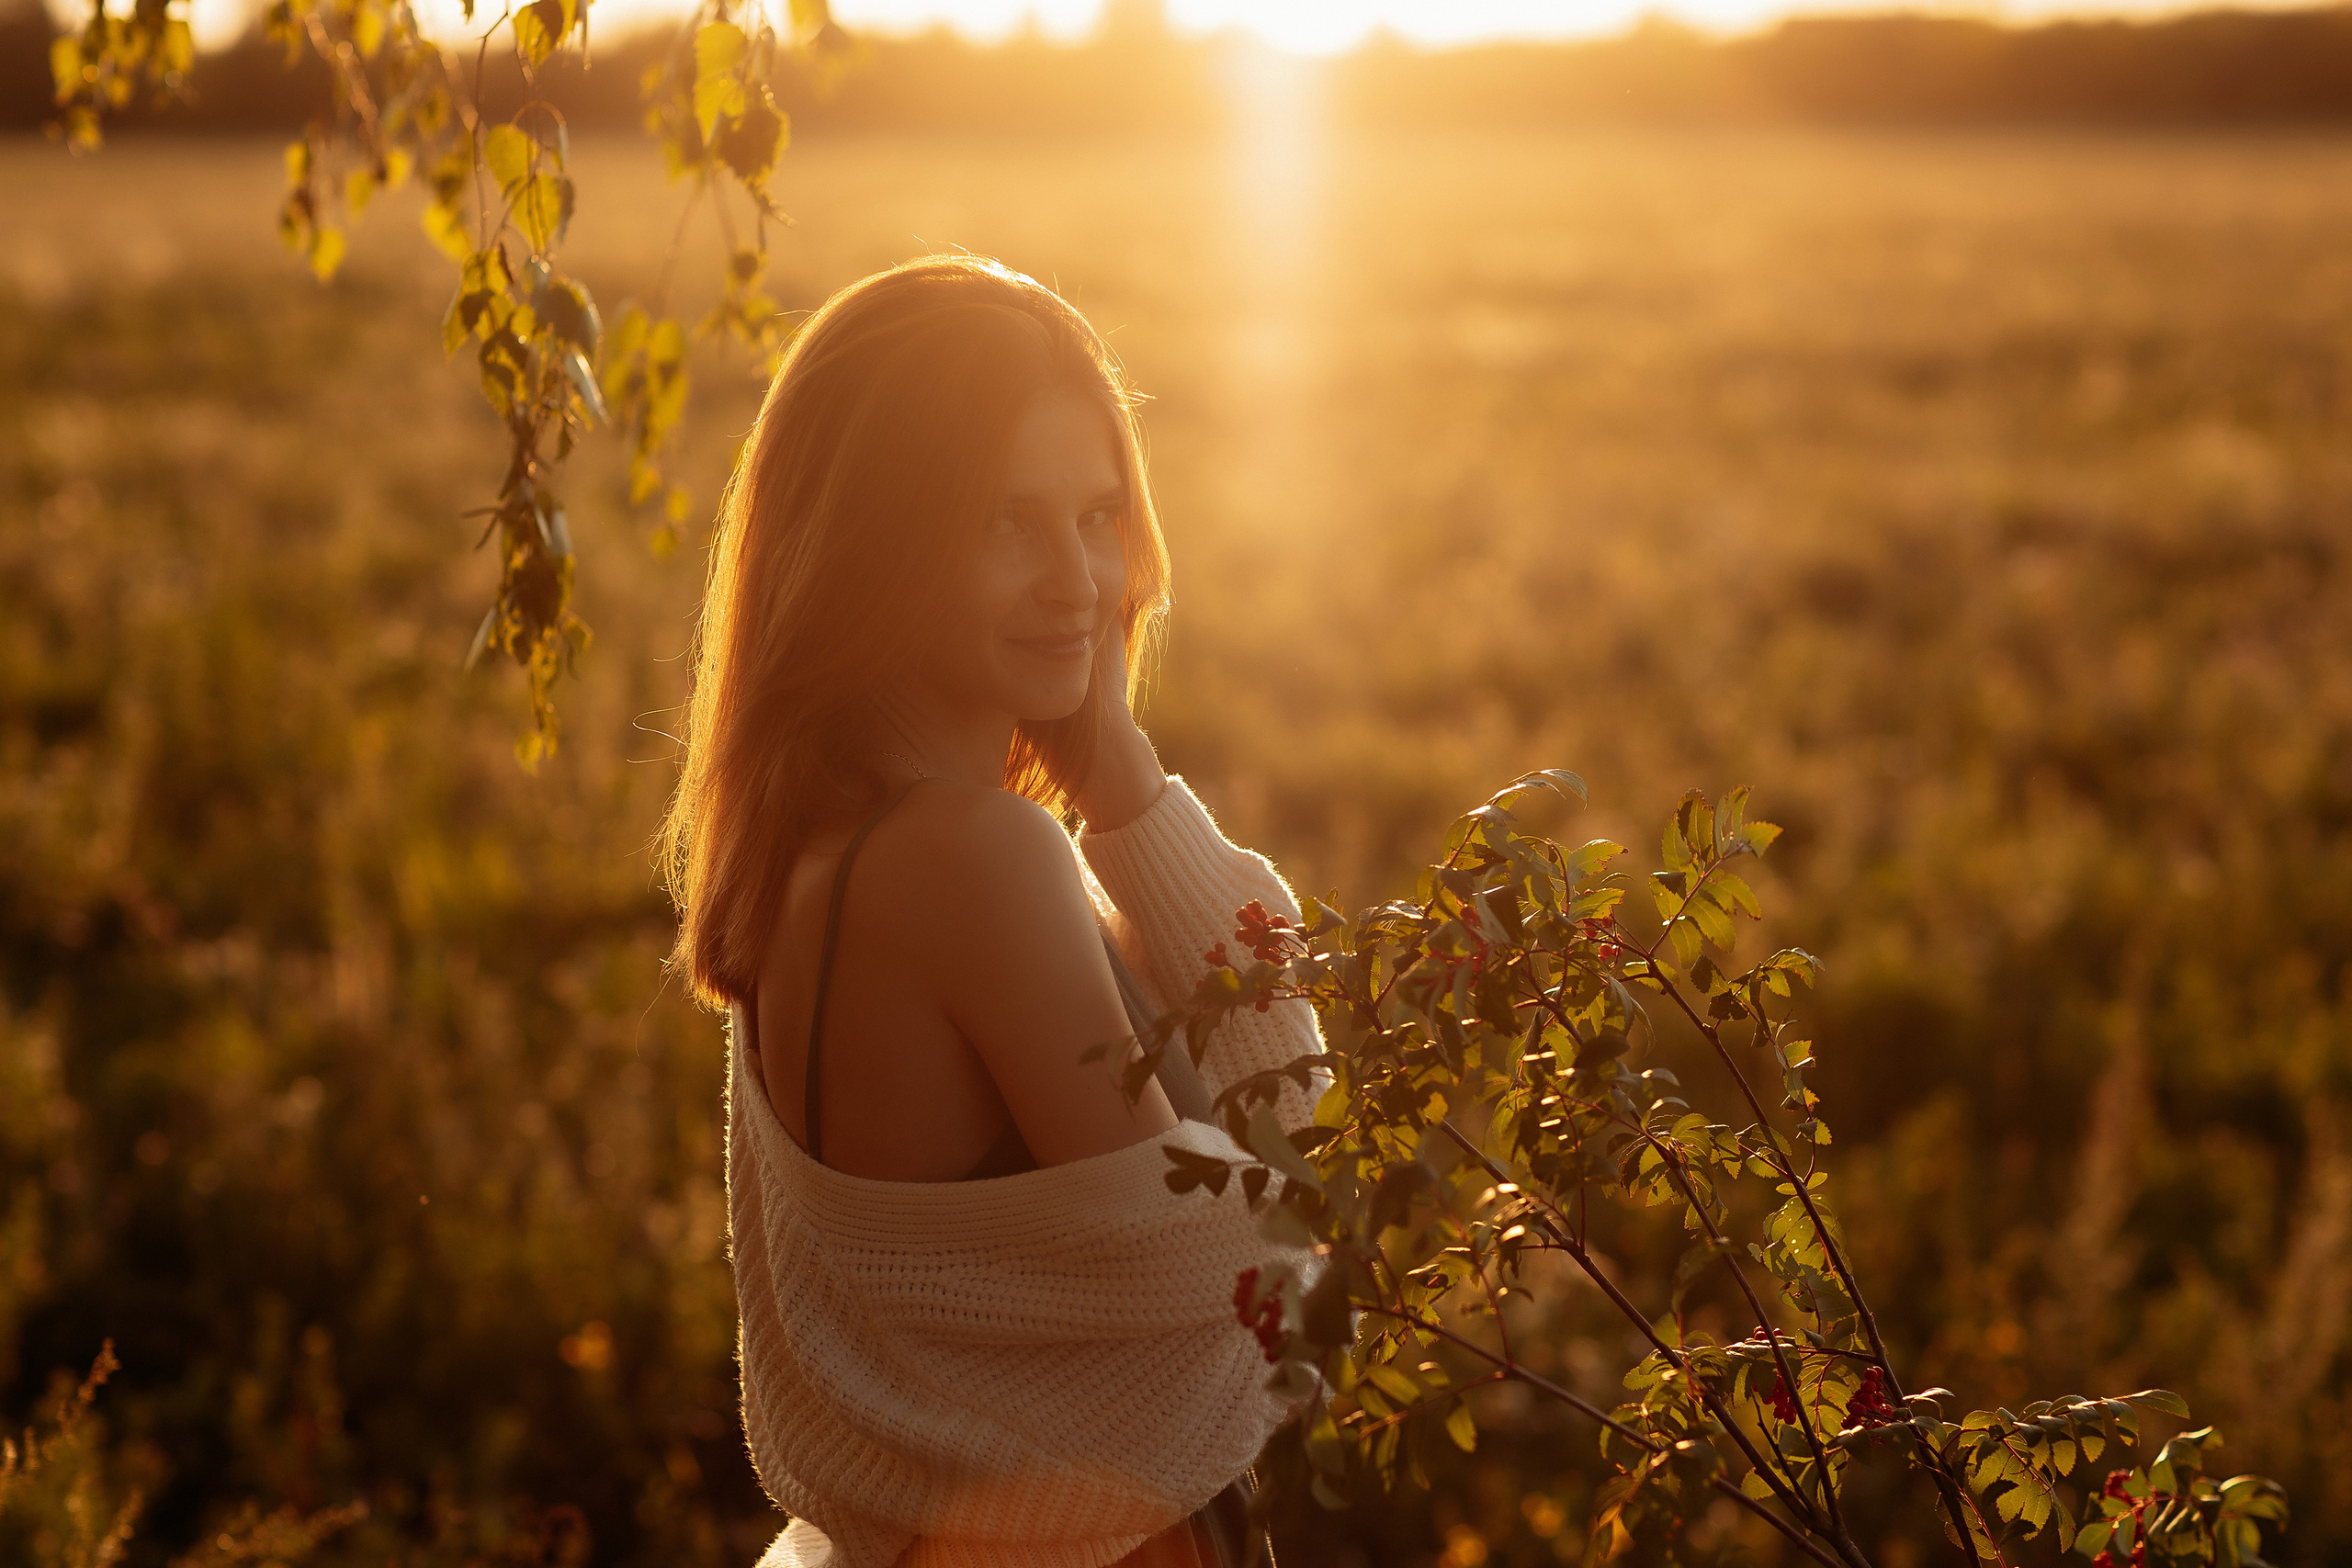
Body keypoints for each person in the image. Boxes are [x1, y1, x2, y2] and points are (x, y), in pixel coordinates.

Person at [655, 254, 1329, 1568]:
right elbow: (1281, 1237)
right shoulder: (974, 857)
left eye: (1094, 515)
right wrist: (1127, 787)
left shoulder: (831, 847)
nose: (1078, 579)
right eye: (1004, 521)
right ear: (873, 544)